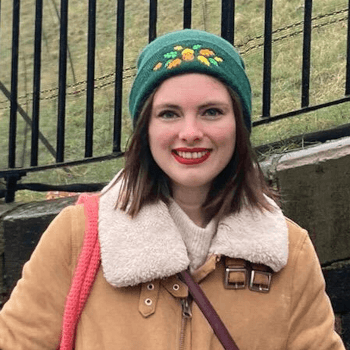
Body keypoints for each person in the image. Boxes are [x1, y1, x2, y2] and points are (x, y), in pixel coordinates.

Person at [0, 29, 345, 350]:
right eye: (169, 114)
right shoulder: (78, 235)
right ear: (145, 129)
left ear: (238, 125)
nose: (191, 131)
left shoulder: (290, 252)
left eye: (212, 111)